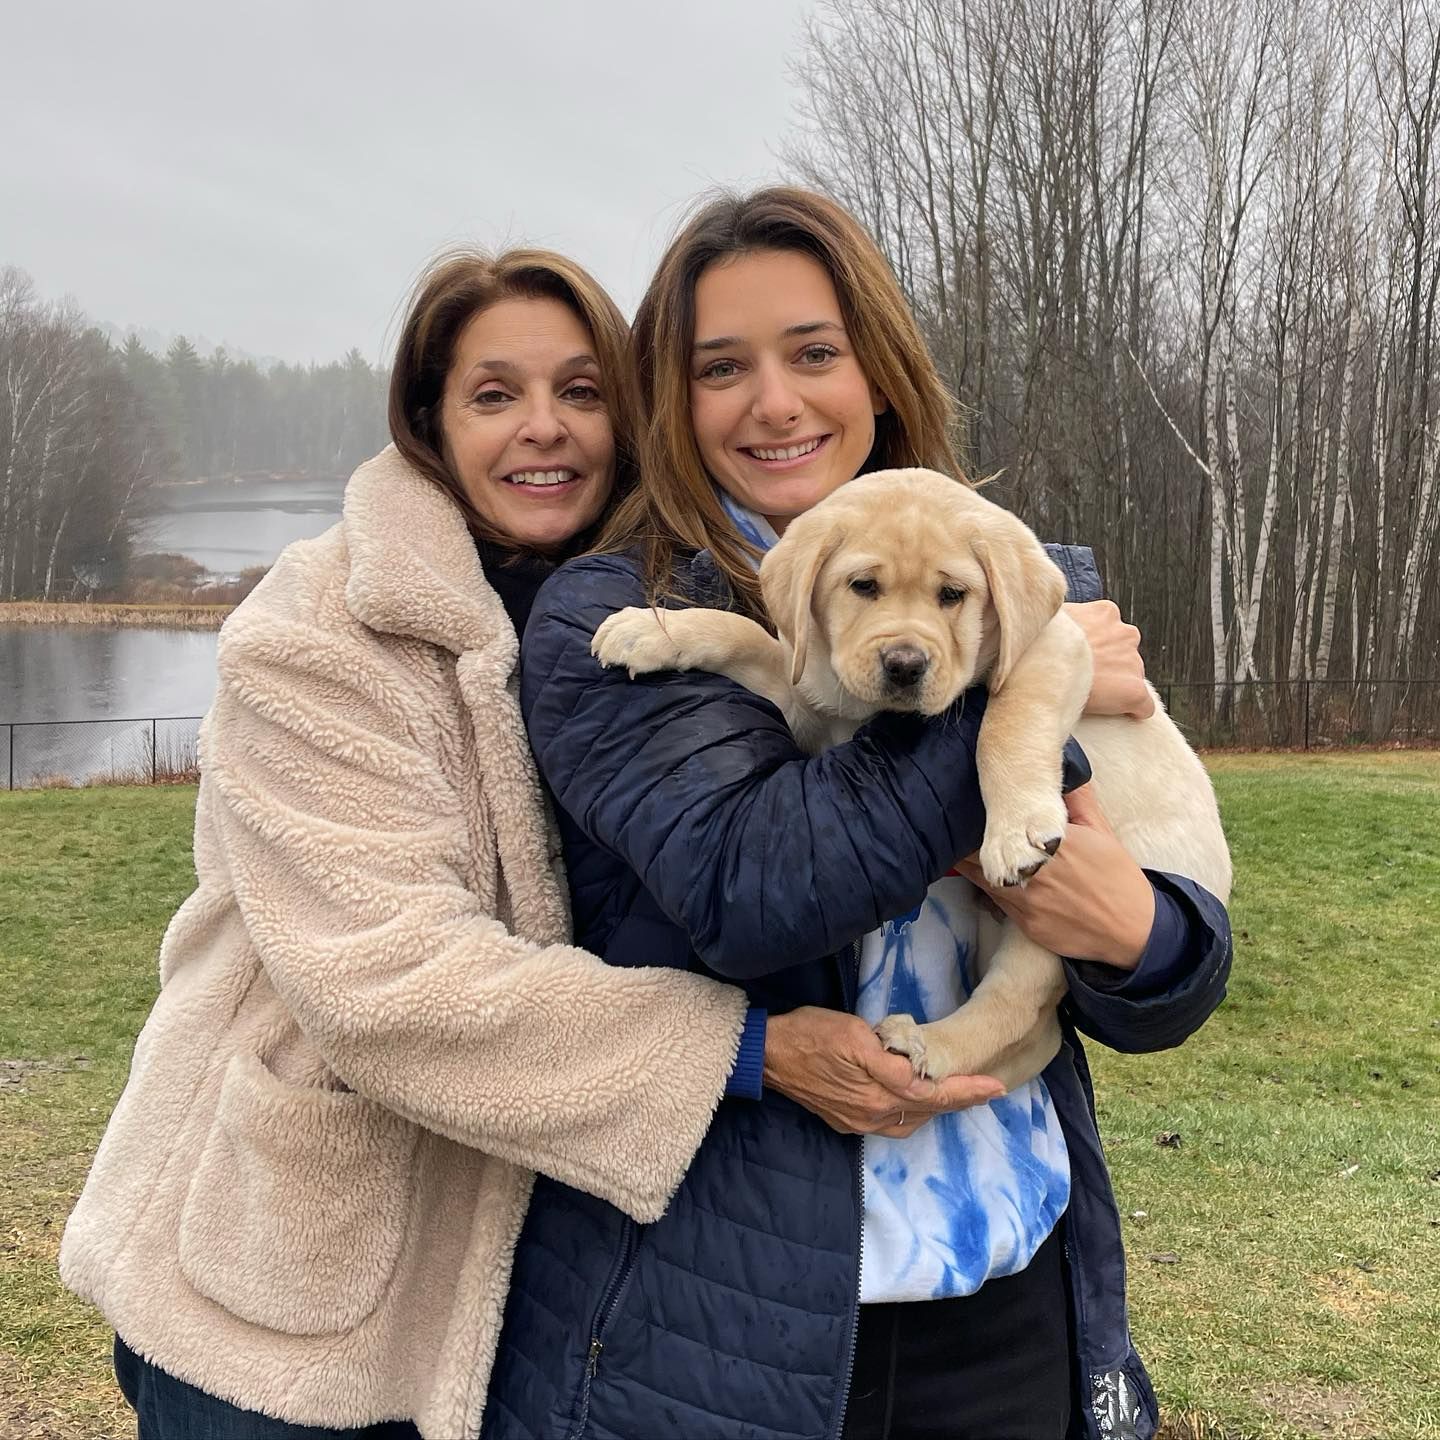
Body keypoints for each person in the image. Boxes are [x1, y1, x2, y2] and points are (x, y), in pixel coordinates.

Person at [62, 247, 943, 1440]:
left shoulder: (669, 602)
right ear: (428, 420)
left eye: (583, 392)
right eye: (494, 396)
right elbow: (385, 984)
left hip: (518, 1273)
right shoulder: (314, 632)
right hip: (293, 1277)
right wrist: (746, 1052)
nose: (547, 431)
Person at [481, 189, 1232, 1440]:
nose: (775, 402)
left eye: (815, 353)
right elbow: (752, 892)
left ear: (877, 372)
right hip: (725, 1325)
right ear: (674, 397)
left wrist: (1146, 940)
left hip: (1013, 1285)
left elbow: (1161, 968)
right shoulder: (609, 618)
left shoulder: (1026, 570)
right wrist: (1007, 686)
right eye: (723, 367)